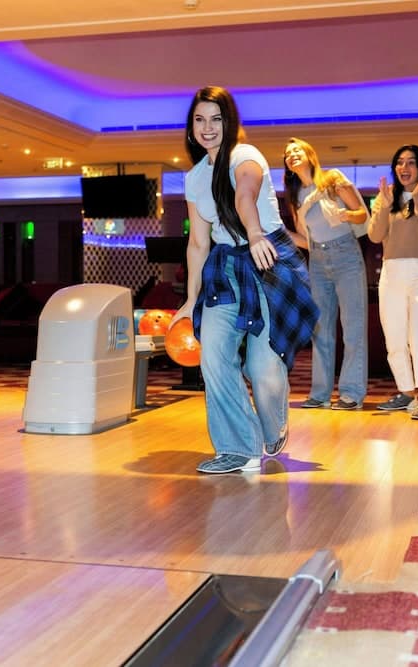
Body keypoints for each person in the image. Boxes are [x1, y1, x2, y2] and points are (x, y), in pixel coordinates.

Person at [172, 86, 318, 474]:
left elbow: (245, 196)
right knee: (214, 356)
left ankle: (274, 425)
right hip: (224, 268)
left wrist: (254, 233)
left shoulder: (245, 155)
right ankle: (238, 448)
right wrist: (190, 299)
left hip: (267, 258)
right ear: (191, 127)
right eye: (199, 119)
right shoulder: (194, 178)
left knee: (262, 366)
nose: (207, 128)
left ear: (229, 122)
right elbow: (198, 242)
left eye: (216, 119)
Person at [282, 138, 369, 411]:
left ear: (310, 154)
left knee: (353, 327)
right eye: (287, 154)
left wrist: (346, 215)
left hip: (346, 254)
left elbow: (361, 214)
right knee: (320, 330)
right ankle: (320, 394)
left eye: (296, 150)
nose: (292, 155)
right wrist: (281, 234)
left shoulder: (332, 179)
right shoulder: (295, 197)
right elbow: (306, 240)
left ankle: (351, 393)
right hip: (318, 260)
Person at [367, 144, 418, 420]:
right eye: (400, 162)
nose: (404, 167)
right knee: (394, 339)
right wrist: (384, 204)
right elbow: (375, 236)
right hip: (392, 272)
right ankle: (406, 392)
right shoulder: (386, 196)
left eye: (411, 162)